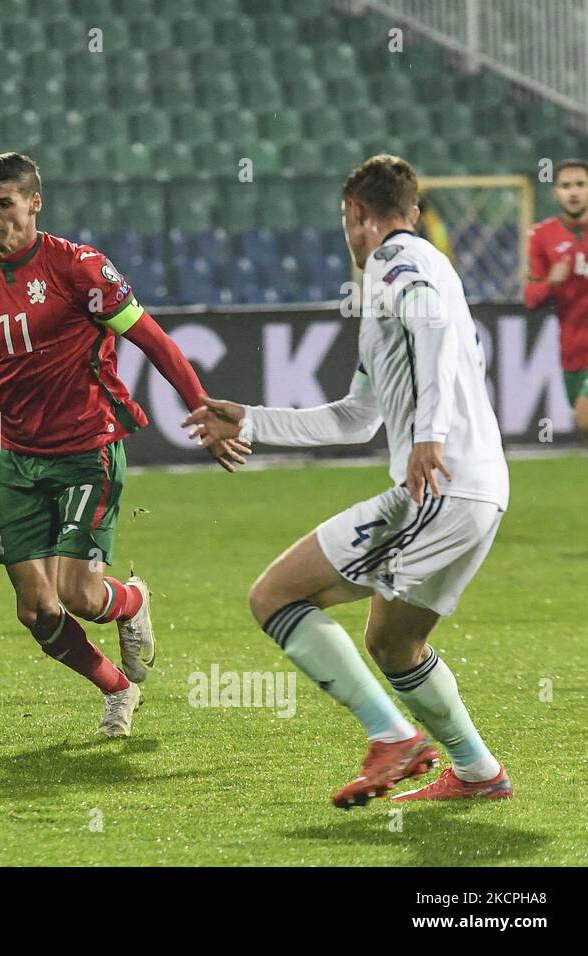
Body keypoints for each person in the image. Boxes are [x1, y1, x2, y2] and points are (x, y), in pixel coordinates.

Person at [186, 155, 512, 804]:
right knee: (394, 643)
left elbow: (434, 328)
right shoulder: (413, 276)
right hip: (474, 490)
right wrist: (252, 419)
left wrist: (428, 435)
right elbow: (355, 417)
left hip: (440, 487)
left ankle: (393, 737)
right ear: (412, 210)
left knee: (275, 596)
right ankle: (478, 773)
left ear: (356, 215)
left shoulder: (398, 261)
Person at [0, 152, 248, 739]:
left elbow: (153, 340)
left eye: (3, 204)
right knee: (35, 609)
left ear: (35, 203)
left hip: (88, 450)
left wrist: (200, 405)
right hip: (17, 460)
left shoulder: (80, 268)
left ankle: (130, 601)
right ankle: (117, 688)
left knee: (78, 594)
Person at [524, 158, 588, 461]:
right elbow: (531, 298)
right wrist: (552, 282)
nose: (574, 192)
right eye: (566, 186)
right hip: (573, 351)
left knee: (587, 417)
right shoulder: (542, 236)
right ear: (555, 193)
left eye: (580, 184)